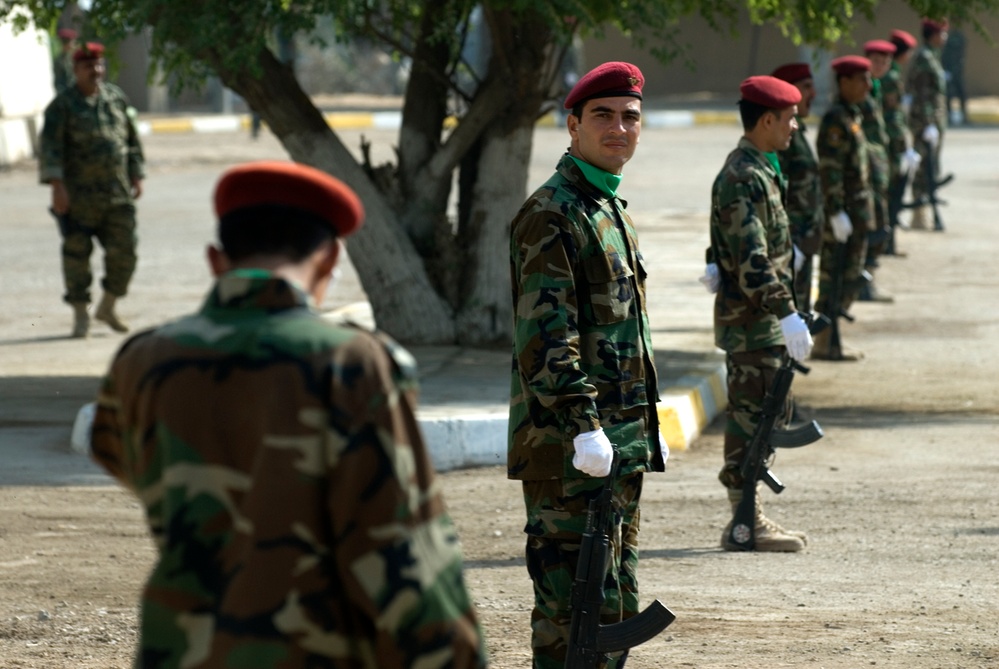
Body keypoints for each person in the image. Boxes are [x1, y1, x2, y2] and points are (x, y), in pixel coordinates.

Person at [89, 160, 488, 668]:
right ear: (330, 260)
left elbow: (119, 456)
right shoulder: (353, 363)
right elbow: (403, 550)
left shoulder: (141, 360)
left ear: (215, 259)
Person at [508, 61, 669, 668]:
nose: (619, 128)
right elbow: (547, 337)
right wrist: (583, 423)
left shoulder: (607, 207)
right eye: (602, 115)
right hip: (569, 449)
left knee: (614, 606)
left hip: (614, 446)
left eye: (630, 116)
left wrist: (640, 425)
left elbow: (624, 336)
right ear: (572, 125)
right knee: (568, 615)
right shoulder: (552, 213)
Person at [704, 75, 813, 553]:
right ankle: (744, 522)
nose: (794, 126)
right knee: (753, 417)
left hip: (759, 318)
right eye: (789, 119)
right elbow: (751, 259)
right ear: (766, 120)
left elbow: (741, 239)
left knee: (767, 414)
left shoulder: (761, 168)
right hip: (753, 320)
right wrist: (787, 312)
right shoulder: (744, 175)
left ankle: (750, 516)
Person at [39, 42, 144, 338]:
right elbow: (50, 150)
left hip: (117, 193)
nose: (95, 71)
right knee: (76, 259)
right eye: (88, 66)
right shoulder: (62, 106)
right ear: (75, 70)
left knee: (126, 253)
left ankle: (108, 306)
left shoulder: (115, 99)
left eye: (99, 65)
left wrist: (136, 174)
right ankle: (80, 315)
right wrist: (57, 187)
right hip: (78, 198)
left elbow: (132, 141)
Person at [813, 56, 875, 361]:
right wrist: (836, 210)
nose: (868, 85)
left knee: (849, 276)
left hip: (857, 211)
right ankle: (826, 341)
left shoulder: (853, 114)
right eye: (861, 79)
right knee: (834, 275)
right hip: (845, 212)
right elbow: (831, 168)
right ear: (844, 82)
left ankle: (832, 337)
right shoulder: (836, 119)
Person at [771, 63, 823, 312]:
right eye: (806, 87)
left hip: (804, 238)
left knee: (801, 309)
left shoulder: (797, 132)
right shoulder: (781, 138)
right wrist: (787, 242)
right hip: (791, 238)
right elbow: (775, 190)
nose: (813, 93)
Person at [858, 40, 898, 303]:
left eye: (885, 61)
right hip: (866, 172)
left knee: (879, 228)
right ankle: (863, 284)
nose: (881, 66)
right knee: (869, 228)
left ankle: (867, 280)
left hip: (879, 169)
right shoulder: (861, 92)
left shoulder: (878, 87)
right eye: (876, 60)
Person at [907, 18, 949, 231]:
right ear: (933, 35)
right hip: (925, 124)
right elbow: (922, 95)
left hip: (932, 123)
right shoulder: (925, 58)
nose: (945, 37)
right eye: (942, 33)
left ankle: (924, 210)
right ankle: (919, 213)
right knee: (924, 168)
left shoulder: (933, 56)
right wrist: (928, 124)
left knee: (931, 168)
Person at [883, 29, 921, 250]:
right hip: (891, 143)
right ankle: (887, 242)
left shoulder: (893, 74)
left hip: (892, 142)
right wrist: (903, 147)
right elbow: (893, 116)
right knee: (892, 192)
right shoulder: (892, 76)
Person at [941, 24, 968, 126]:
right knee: (949, 94)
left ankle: (964, 116)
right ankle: (949, 115)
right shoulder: (948, 39)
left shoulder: (960, 38)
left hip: (958, 72)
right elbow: (945, 56)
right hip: (950, 71)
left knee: (962, 93)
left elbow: (961, 55)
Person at [52, 27, 78, 94]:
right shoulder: (59, 61)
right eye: (73, 41)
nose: (74, 44)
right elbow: (58, 82)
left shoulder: (72, 58)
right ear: (67, 43)